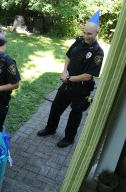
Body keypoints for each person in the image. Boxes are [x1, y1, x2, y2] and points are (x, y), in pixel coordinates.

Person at [37, 10, 104, 148]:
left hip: (81, 89)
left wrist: (69, 78)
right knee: (56, 107)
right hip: (67, 83)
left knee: (75, 114)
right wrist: (64, 70)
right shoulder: (78, 42)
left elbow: (88, 75)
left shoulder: (98, 52)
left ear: (97, 32)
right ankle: (50, 129)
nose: (85, 36)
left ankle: (69, 138)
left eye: (89, 34)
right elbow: (69, 56)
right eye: (84, 32)